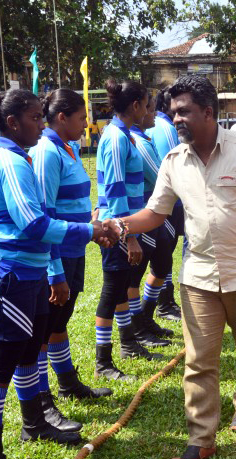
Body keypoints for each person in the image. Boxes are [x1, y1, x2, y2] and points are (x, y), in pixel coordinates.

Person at [105, 75, 236, 459]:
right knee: (199, 361)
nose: (176, 119)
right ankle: (201, 437)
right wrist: (120, 225)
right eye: (173, 112)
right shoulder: (174, 160)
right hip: (199, 278)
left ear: (208, 112)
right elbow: (155, 213)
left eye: (184, 111)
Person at [0, 89, 115, 457]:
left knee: (28, 353)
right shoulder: (10, 161)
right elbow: (34, 223)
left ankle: (34, 422)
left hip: (33, 270)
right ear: (12, 123)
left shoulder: (20, 157)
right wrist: (90, 231)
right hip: (15, 274)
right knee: (3, 367)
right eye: (36, 118)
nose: (42, 124)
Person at [29, 89, 113, 432]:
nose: (86, 124)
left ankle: (67, 382)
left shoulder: (69, 148)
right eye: (81, 118)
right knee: (42, 331)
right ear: (62, 117)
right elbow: (45, 215)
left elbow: (73, 201)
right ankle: (41, 398)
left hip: (75, 251)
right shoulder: (46, 152)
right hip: (58, 256)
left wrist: (91, 227)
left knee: (59, 322)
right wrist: (54, 272)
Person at [94, 78, 162, 382]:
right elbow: (115, 188)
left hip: (123, 224)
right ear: (135, 106)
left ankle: (128, 343)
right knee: (111, 290)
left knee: (121, 286)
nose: (148, 110)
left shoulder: (123, 134)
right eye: (146, 105)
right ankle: (102, 361)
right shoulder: (116, 138)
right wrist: (129, 236)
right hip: (116, 227)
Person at [126, 95, 175, 346]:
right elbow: (159, 178)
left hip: (154, 212)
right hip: (144, 213)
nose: (154, 114)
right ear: (137, 110)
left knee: (163, 263)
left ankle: (145, 315)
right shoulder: (137, 141)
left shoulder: (143, 138)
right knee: (135, 274)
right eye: (150, 109)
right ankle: (137, 326)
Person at [145, 86, 183, 321]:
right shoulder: (166, 128)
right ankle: (165, 303)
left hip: (157, 200)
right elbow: (175, 166)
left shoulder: (156, 125)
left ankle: (162, 303)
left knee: (163, 254)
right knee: (164, 253)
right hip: (167, 201)